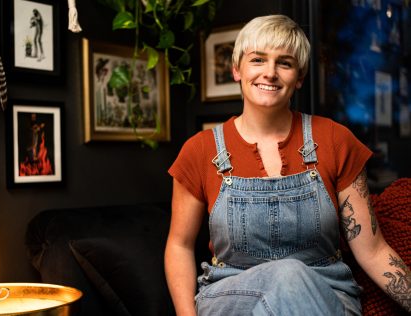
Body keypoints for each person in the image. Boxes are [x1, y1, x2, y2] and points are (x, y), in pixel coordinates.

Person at [165, 14, 410, 316]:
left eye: (285, 63)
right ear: (236, 70)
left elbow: (372, 250)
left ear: (300, 77)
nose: (270, 73)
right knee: (286, 273)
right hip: (232, 295)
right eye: (257, 60)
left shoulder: (335, 140)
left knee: (292, 277)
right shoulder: (199, 150)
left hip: (328, 294)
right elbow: (180, 246)